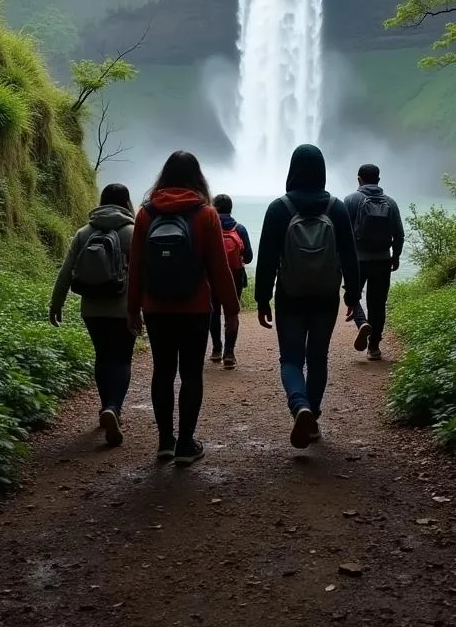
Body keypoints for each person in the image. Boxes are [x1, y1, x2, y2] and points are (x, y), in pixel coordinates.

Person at [128, 151, 240, 465]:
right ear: (198, 178)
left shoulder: (145, 214)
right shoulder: (206, 214)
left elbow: (135, 265)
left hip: (155, 307)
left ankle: (165, 441)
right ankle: (186, 445)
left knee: (162, 372)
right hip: (195, 308)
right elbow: (220, 269)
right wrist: (231, 310)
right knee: (191, 374)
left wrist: (132, 307)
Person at [255, 144, 361, 449]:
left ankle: (299, 405)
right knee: (318, 359)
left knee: (290, 358)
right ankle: (311, 415)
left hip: (289, 295)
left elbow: (267, 258)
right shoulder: (336, 208)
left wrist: (262, 298)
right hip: (326, 296)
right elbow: (350, 256)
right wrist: (352, 296)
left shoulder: (279, 208)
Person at [49, 183, 137, 448]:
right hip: (123, 309)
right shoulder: (133, 233)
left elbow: (66, 271)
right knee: (121, 359)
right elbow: (144, 274)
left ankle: (104, 407)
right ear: (126, 203)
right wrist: (143, 308)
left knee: (103, 356)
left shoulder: (84, 232)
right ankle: (114, 408)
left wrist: (56, 303)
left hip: (92, 309)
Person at [344, 163, 404, 361]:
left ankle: (361, 322)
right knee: (378, 304)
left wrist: (340, 260)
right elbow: (399, 235)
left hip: (357, 261)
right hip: (382, 260)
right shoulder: (391, 203)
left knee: (352, 296)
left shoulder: (351, 200)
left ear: (359, 179)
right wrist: (395, 256)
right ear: (378, 180)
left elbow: (342, 234)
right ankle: (374, 348)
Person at [208, 193, 253, 369]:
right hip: (234, 276)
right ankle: (229, 353)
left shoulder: (210, 227)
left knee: (214, 311)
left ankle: (216, 350)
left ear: (214, 208)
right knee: (231, 313)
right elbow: (248, 257)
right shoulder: (239, 229)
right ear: (230, 208)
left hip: (212, 276)